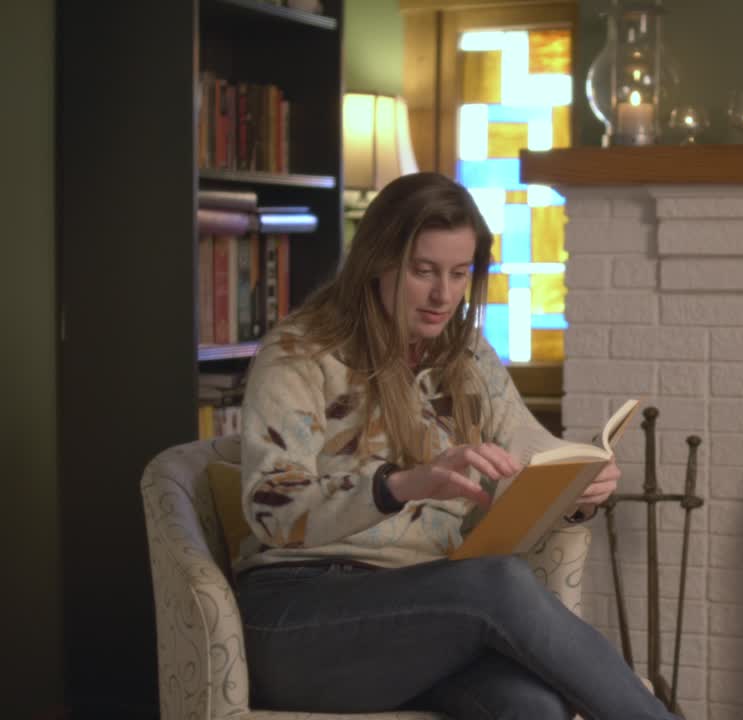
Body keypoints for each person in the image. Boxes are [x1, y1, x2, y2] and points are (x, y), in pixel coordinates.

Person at [234, 171, 676, 719]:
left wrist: (582, 483)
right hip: (300, 616)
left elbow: (532, 451)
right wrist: (399, 485)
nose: (444, 294)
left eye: (459, 273)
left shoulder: (465, 356)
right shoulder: (300, 353)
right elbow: (272, 510)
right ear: (378, 262)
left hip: (428, 616)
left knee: (534, 708)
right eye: (424, 272)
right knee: (496, 582)